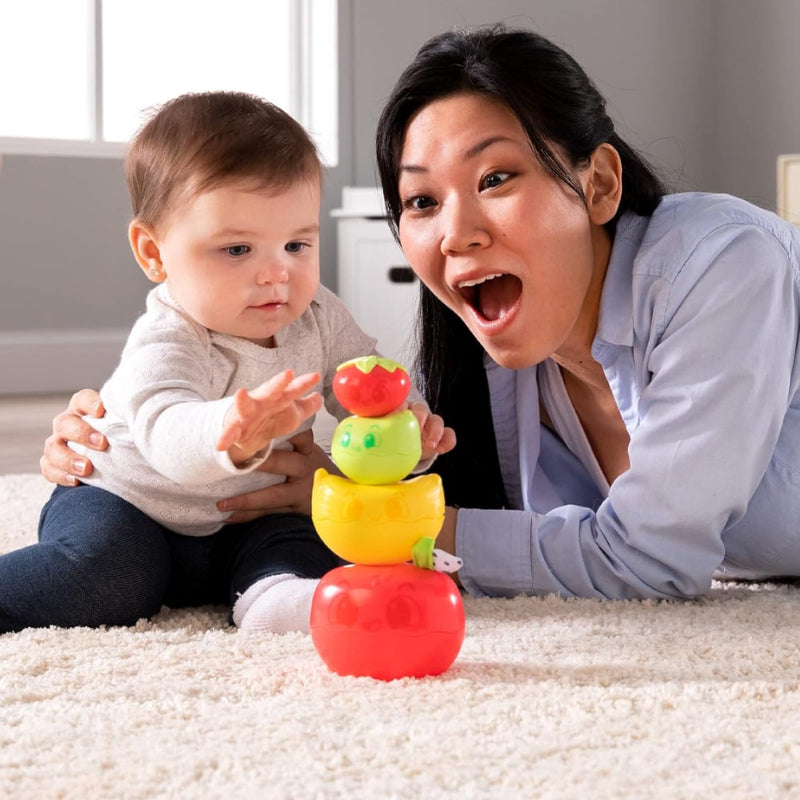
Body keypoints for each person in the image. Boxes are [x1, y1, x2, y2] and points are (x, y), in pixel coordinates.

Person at [42, 24, 800, 604]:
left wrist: (356, 515)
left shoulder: (723, 265)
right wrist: (120, 442)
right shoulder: (506, 347)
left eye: (497, 176)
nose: (454, 232)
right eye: (421, 201)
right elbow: (440, 493)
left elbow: (650, 560)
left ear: (599, 184)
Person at [1, 90, 453, 635]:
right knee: (110, 575)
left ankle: (279, 600)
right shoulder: (169, 334)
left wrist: (407, 427)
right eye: (237, 249)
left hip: (248, 513)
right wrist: (231, 434)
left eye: (296, 245)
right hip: (127, 504)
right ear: (153, 252)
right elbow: (167, 432)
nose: (275, 273)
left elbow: (366, 380)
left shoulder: (317, 314)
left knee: (305, 534)